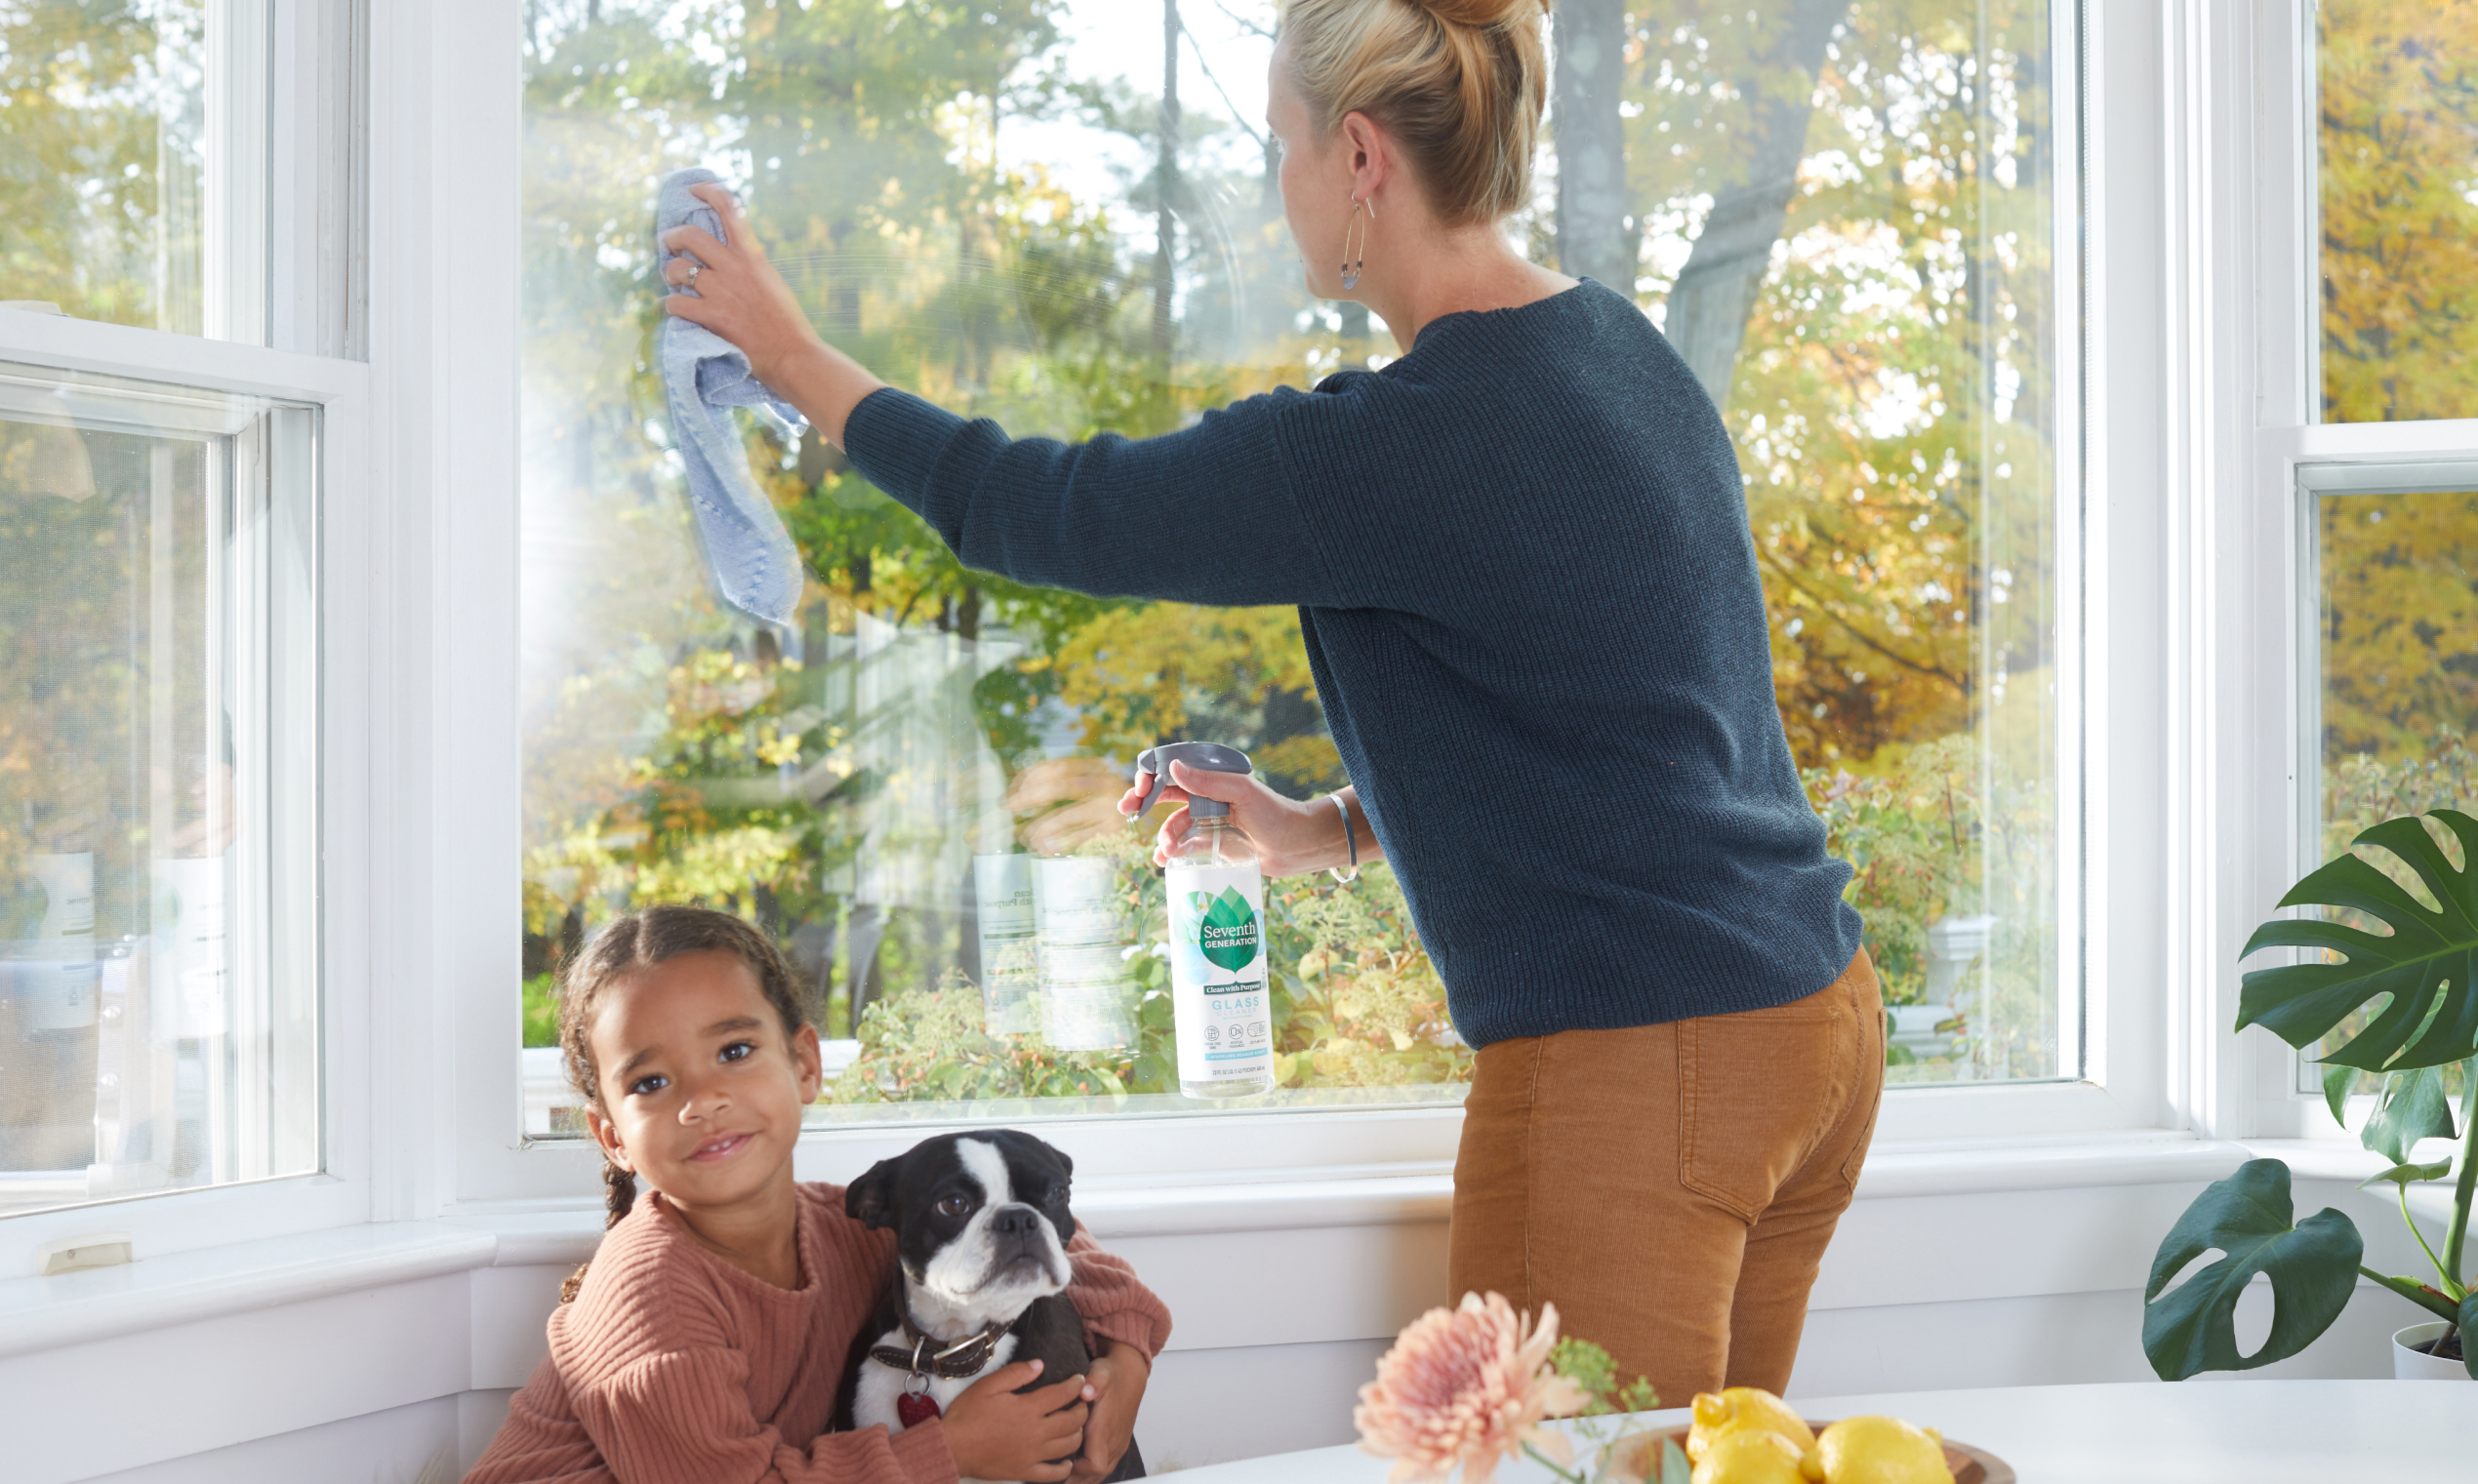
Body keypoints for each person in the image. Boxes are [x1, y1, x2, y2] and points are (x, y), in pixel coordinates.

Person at [660, 0, 1876, 1401]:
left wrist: (789, 353)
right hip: (1811, 1026)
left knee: (1553, 1466)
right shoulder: (1618, 351)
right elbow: (1647, 714)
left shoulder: (1382, 443)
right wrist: (1333, 828)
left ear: (1359, 157)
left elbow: (1029, 505)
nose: (1273, 187)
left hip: (1645, 1062)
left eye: (1280, 148)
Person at [462, 906, 1168, 1484]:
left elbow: (1062, 1244)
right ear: (609, 1133)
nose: (703, 1098)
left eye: (733, 1051)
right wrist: (947, 1453)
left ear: (804, 1062)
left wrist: (1126, 1365)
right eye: (651, 1082)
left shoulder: (846, 1222)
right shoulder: (648, 1295)